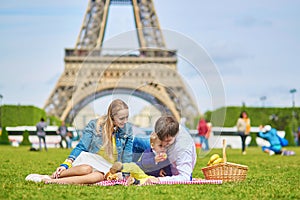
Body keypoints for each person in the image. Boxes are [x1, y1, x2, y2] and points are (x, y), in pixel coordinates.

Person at [25, 99, 133, 184]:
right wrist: (66, 164)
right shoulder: (94, 125)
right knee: (86, 169)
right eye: (122, 118)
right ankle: (53, 175)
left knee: (98, 176)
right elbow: (82, 146)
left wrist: (125, 174)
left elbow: (127, 155)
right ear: (112, 117)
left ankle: (50, 181)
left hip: (108, 167)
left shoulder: (127, 130)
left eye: (127, 117)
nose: (125, 121)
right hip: (92, 160)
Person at [132, 115, 197, 183]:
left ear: (176, 134)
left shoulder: (183, 148)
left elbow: (185, 177)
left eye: (167, 141)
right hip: (159, 149)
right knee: (138, 140)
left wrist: (158, 180)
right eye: (161, 139)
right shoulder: (165, 130)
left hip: (170, 164)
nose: (163, 143)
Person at [108, 132, 172, 185]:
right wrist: (154, 160)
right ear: (152, 145)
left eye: (165, 146)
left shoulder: (165, 157)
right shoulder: (148, 152)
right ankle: (120, 167)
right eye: (160, 146)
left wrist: (165, 173)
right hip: (139, 169)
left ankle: (133, 181)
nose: (163, 149)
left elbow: (168, 168)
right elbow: (144, 163)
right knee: (132, 167)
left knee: (149, 180)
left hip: (146, 175)